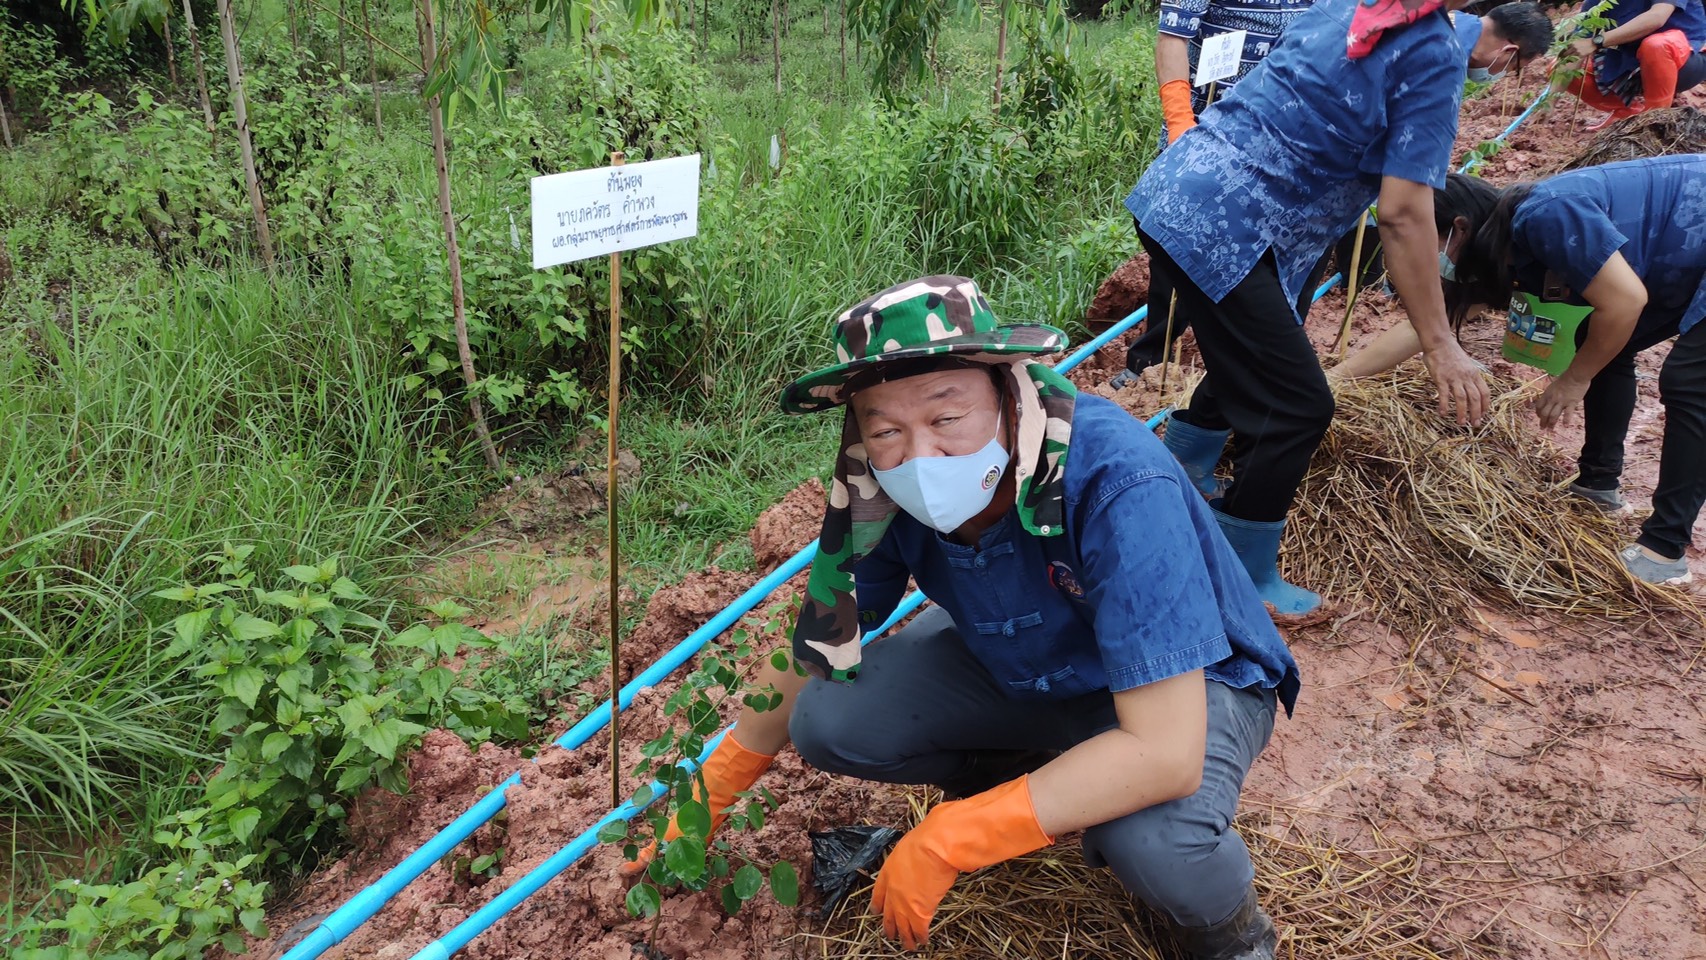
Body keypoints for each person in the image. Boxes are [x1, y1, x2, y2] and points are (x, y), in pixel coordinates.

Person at [625, 276, 1302, 960]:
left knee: (1154, 842)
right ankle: (1037, 777)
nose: (918, 455)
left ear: (1009, 390)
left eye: (946, 418)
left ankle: (1230, 935)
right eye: (885, 428)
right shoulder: (875, 480)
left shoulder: (1115, 478)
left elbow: (1166, 751)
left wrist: (957, 835)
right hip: (1031, 671)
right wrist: (720, 779)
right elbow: (823, 638)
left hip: (1193, 686)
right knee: (828, 720)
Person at [1123, 0, 1492, 615]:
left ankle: (1183, 462)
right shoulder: (1431, 51)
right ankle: (1240, 571)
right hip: (1226, 224)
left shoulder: (1347, 5)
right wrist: (1439, 341)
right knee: (1299, 406)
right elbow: (1402, 213)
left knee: (1262, 348)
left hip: (1182, 190)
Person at [1335, 159, 1706, 585]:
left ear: (1458, 227)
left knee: (1690, 381)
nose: (1417, 255)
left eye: (1421, 238)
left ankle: (1662, 549)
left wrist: (1574, 379)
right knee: (1598, 338)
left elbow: (1624, 302)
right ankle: (1597, 487)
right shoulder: (1492, 255)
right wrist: (1337, 380)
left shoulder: (1545, 214)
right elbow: (1422, 328)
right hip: (1683, 257)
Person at [1115, 0, 1318, 387]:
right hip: (1209, 130)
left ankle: (1262, 364)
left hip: (1287, 135)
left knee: (1275, 254)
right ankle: (1151, 361)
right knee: (1178, 248)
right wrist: (1179, 125)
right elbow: (1173, 37)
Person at [1552, 0, 1706, 128]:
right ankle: (1626, 114)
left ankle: (1654, 124)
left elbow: (1657, 17)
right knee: (1557, 69)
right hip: (1634, 62)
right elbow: (1576, 50)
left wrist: (1596, 41)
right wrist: (1549, 102)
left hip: (1687, 59)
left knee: (1656, 46)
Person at [1455, 2, 1556, 84]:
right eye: (1514, 68)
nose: (1506, 73)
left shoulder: (1448, 15)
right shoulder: (1450, 66)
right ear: (1509, 50)